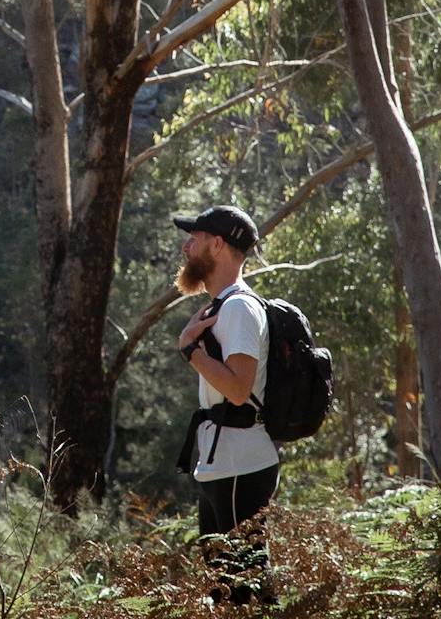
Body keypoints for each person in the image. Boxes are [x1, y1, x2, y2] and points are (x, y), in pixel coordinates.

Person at [172, 204, 277, 604]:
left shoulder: (238, 308)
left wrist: (190, 351)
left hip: (241, 465)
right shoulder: (223, 307)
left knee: (245, 592)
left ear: (216, 245)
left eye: (194, 240)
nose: (186, 248)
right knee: (223, 591)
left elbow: (237, 389)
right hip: (221, 464)